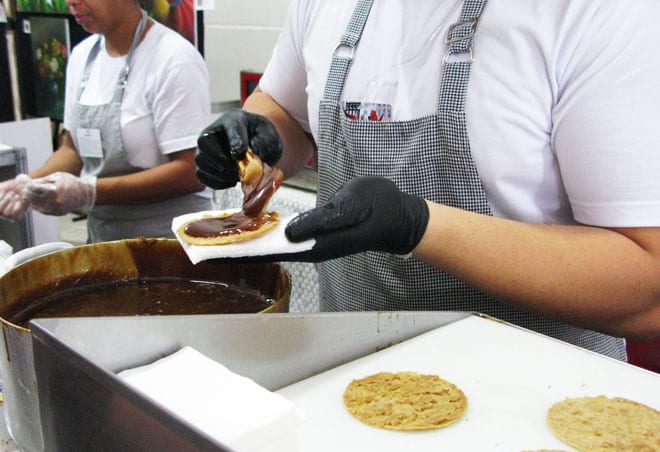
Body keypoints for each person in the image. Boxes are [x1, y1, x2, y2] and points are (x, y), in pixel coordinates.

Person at [194, 0, 660, 360]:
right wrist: (258, 136)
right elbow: (284, 108)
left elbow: (647, 286)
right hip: (350, 373)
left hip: (537, 407)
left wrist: (417, 226)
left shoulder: (597, 13)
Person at [0, 0, 211, 241]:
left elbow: (191, 172)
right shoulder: (83, 57)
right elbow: (73, 150)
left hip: (170, 242)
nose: (71, 2)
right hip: (105, 237)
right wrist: (27, 183)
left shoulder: (173, 59)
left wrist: (89, 191)